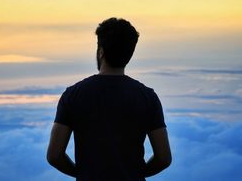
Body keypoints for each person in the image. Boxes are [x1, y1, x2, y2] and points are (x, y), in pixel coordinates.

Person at [47, 17, 172, 180]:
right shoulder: (147, 97)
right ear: (129, 54)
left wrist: (82, 174)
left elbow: (54, 155)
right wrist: (135, 174)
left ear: (101, 51)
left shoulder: (73, 95)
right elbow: (163, 158)